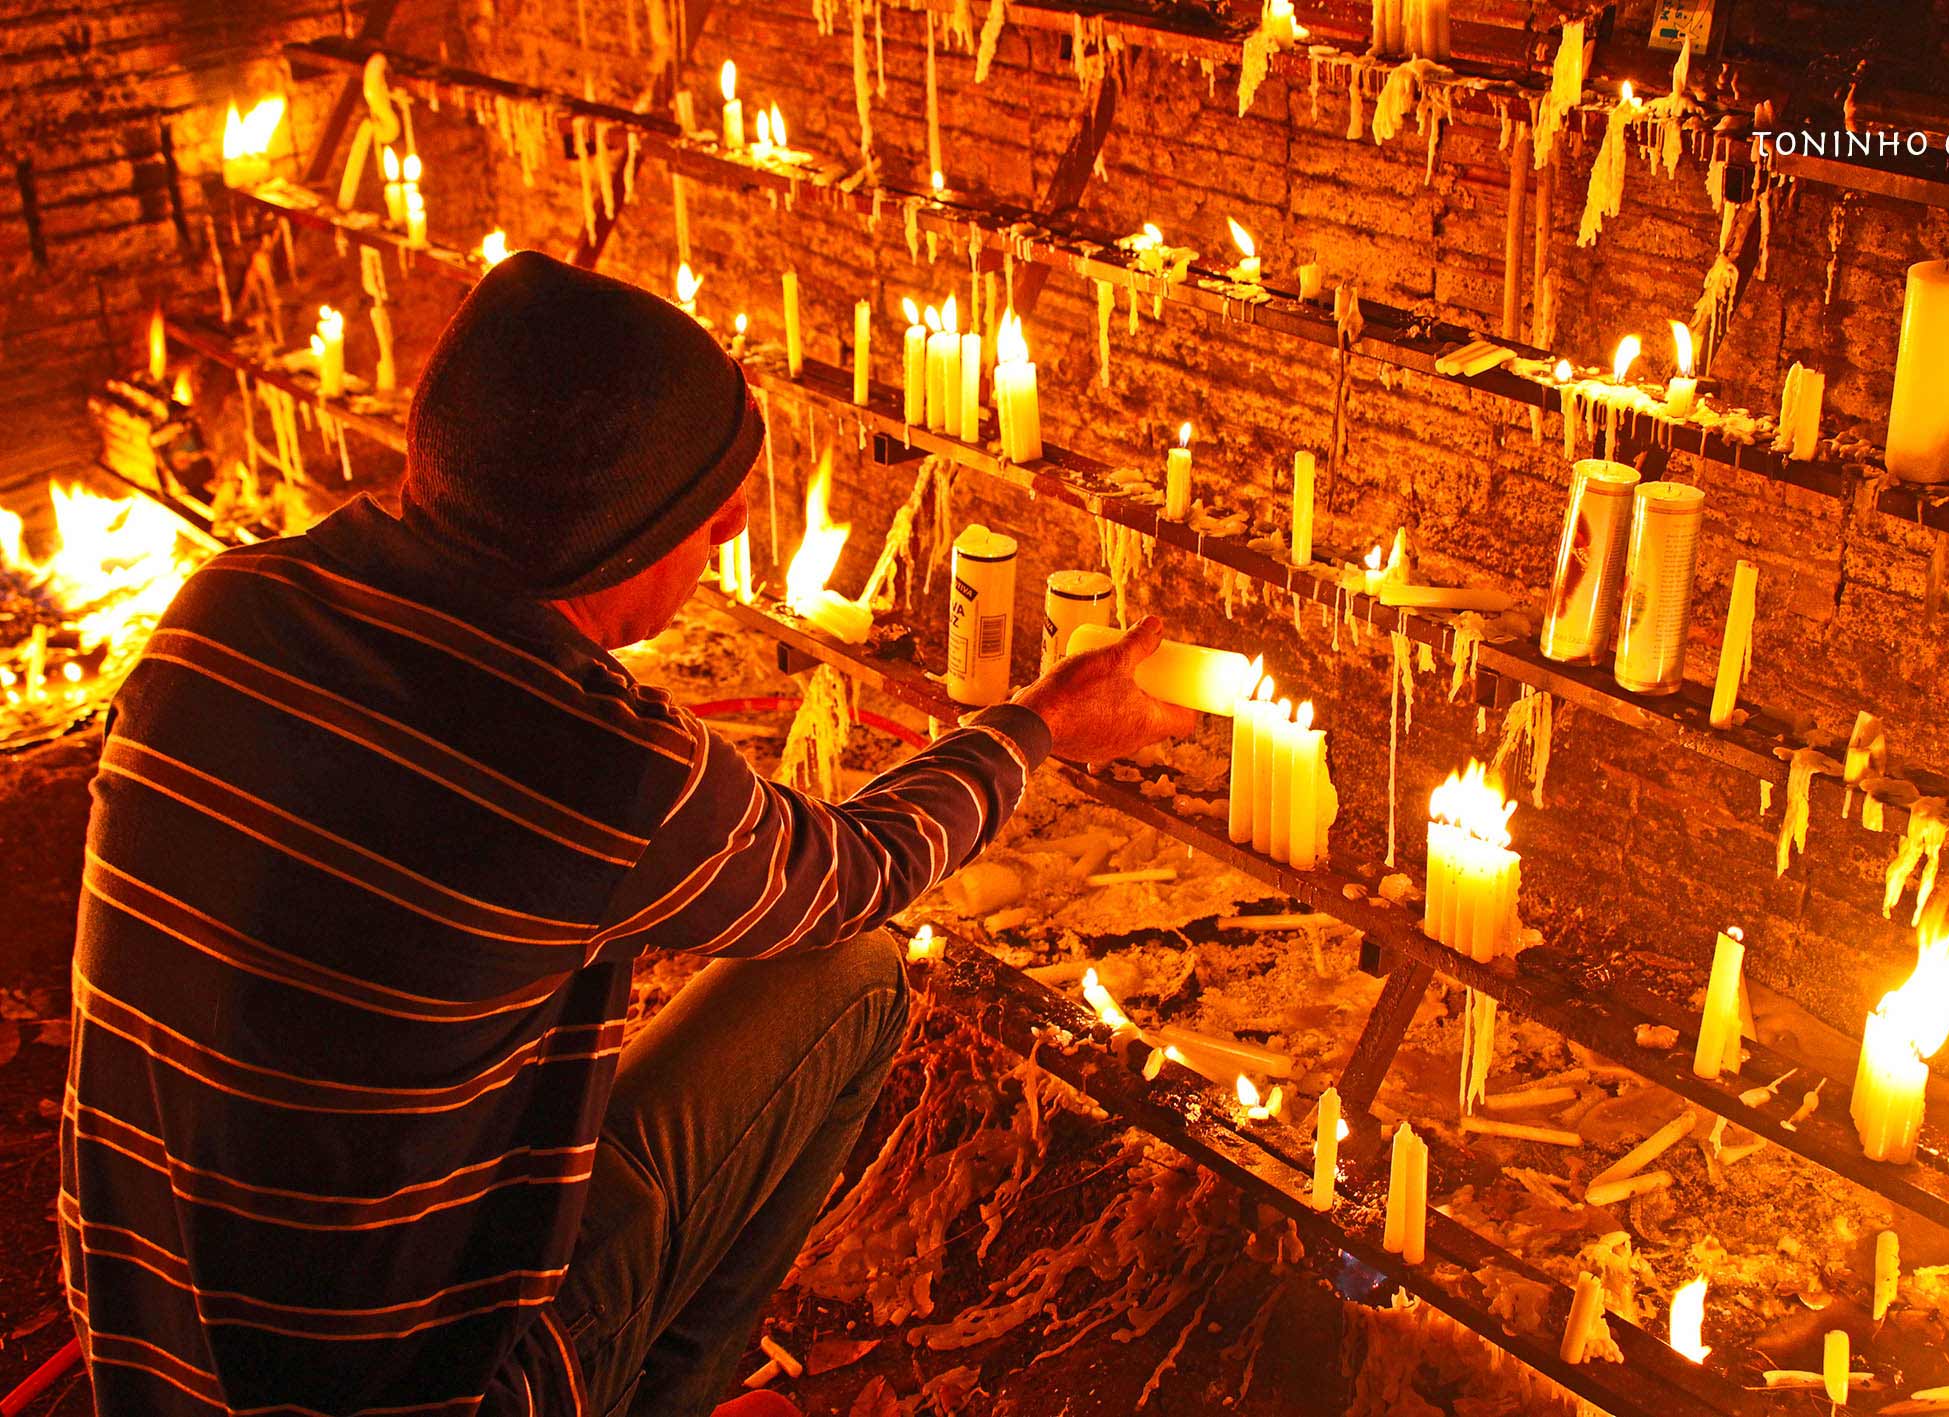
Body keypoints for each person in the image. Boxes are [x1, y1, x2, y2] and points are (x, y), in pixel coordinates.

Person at [60, 251, 1196, 1416]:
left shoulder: (221, 612)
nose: (722, 556)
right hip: (411, 1393)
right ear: (619, 536)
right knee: (853, 978)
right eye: (711, 533)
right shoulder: (594, 765)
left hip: (151, 1351)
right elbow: (857, 871)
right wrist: (1043, 722)